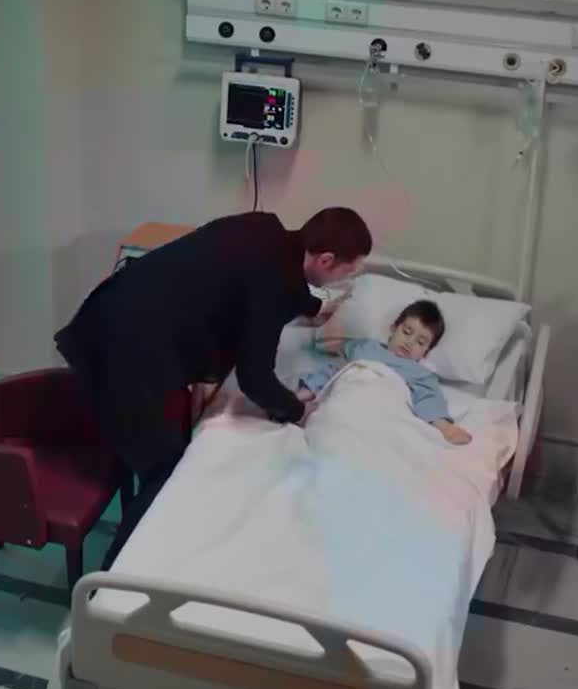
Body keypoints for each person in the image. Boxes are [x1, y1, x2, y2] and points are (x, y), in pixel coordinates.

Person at [54, 208, 372, 570]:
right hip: (126, 355)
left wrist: (312, 307)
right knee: (165, 469)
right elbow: (255, 377)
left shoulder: (263, 226)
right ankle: (112, 580)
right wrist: (297, 410)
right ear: (326, 260)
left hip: (106, 313)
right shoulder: (277, 283)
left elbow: (259, 281)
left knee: (154, 443)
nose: (346, 281)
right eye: (347, 273)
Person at [296, 299, 473, 445]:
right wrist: (305, 392)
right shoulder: (366, 347)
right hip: (347, 396)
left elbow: (429, 400)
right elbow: (335, 366)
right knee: (336, 386)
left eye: (420, 342)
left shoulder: (420, 374)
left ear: (427, 352)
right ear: (393, 328)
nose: (409, 342)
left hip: (381, 407)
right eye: (407, 332)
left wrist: (445, 427)